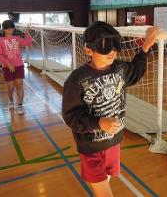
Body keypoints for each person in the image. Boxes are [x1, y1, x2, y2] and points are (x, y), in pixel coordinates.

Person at [61, 21, 159, 197]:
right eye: (104, 49)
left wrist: (146, 47)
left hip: (114, 142)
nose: (112, 54)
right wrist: (98, 122)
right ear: (88, 51)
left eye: (114, 48)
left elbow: (136, 70)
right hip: (91, 146)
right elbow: (71, 116)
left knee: (105, 180)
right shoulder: (77, 80)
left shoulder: (119, 68)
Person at [0, 20, 32, 114]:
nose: (9, 29)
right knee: (10, 87)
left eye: (11, 27)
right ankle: (11, 101)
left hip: (19, 65)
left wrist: (27, 33)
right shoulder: (0, 41)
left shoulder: (17, 38)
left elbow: (27, 43)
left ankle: (20, 105)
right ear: (3, 29)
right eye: (7, 27)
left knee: (19, 84)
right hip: (7, 67)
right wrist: (8, 63)